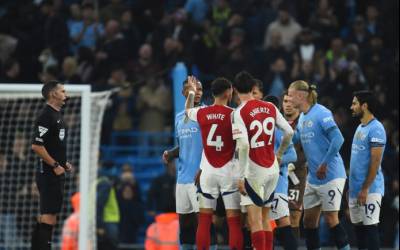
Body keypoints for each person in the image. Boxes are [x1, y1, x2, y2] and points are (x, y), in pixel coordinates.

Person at [232, 71, 293, 250]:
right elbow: (289, 132)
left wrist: (241, 176)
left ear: (235, 90)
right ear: (253, 88)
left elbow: (243, 145)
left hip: (254, 171)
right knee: (266, 218)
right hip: (272, 168)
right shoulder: (270, 107)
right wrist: (279, 153)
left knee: (255, 220)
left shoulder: (239, 112)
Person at [287, 80, 350, 250]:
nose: (289, 99)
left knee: (331, 218)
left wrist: (324, 163)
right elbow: (294, 140)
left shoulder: (321, 112)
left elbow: (338, 139)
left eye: (291, 95)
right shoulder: (302, 118)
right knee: (308, 221)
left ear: (301, 96)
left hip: (330, 174)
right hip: (314, 178)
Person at [185, 76, 243, 250]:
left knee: (204, 221)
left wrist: (192, 93)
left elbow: (188, 110)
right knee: (234, 221)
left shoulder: (202, 112)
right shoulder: (234, 115)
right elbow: (241, 145)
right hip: (229, 171)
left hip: (208, 172)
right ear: (228, 92)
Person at [162, 77, 204, 250]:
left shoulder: (206, 113)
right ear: (183, 93)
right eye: (192, 88)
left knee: (203, 221)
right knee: (185, 223)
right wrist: (171, 153)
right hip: (182, 179)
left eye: (200, 89)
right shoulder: (179, 117)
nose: (197, 92)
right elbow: (185, 145)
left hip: (199, 177)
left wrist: (204, 169)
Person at [31, 80, 73, 250]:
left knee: (50, 214)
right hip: (48, 172)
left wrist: (64, 163)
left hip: (54, 171)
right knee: (48, 215)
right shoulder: (46, 116)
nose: (66, 95)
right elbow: (36, 145)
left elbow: (53, 145)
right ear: (53, 94)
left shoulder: (57, 115)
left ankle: (37, 246)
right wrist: (55, 165)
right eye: (62, 91)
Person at [349, 90, 386, 250]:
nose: (352, 107)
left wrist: (365, 189)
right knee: (359, 230)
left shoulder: (376, 129)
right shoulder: (360, 127)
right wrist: (351, 189)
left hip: (370, 189)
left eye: (355, 103)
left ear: (364, 106)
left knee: (370, 228)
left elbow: (375, 163)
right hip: (355, 189)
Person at [264, 95, 298, 250]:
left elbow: (293, 155)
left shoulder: (281, 130)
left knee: (282, 222)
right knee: (261, 222)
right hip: (261, 182)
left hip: (278, 184)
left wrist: (277, 159)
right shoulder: (261, 128)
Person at [282, 92, 307, 239]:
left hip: (296, 176)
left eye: (291, 101)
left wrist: (292, 163)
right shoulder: (276, 121)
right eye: (285, 101)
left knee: (293, 217)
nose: (288, 104)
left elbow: (308, 150)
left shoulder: (304, 124)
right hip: (277, 175)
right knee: (273, 216)